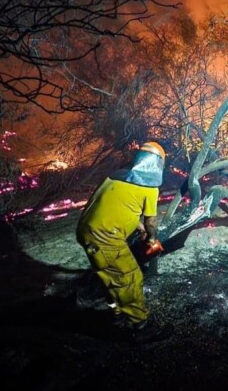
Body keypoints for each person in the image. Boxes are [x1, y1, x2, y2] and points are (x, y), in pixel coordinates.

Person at [76, 141, 165, 334]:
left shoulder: (116, 177)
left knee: (108, 276)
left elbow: (122, 209)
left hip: (85, 230)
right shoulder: (150, 187)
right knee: (129, 278)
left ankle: (115, 315)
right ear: (159, 163)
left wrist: (137, 227)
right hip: (105, 237)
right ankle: (141, 326)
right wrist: (151, 239)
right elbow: (151, 222)